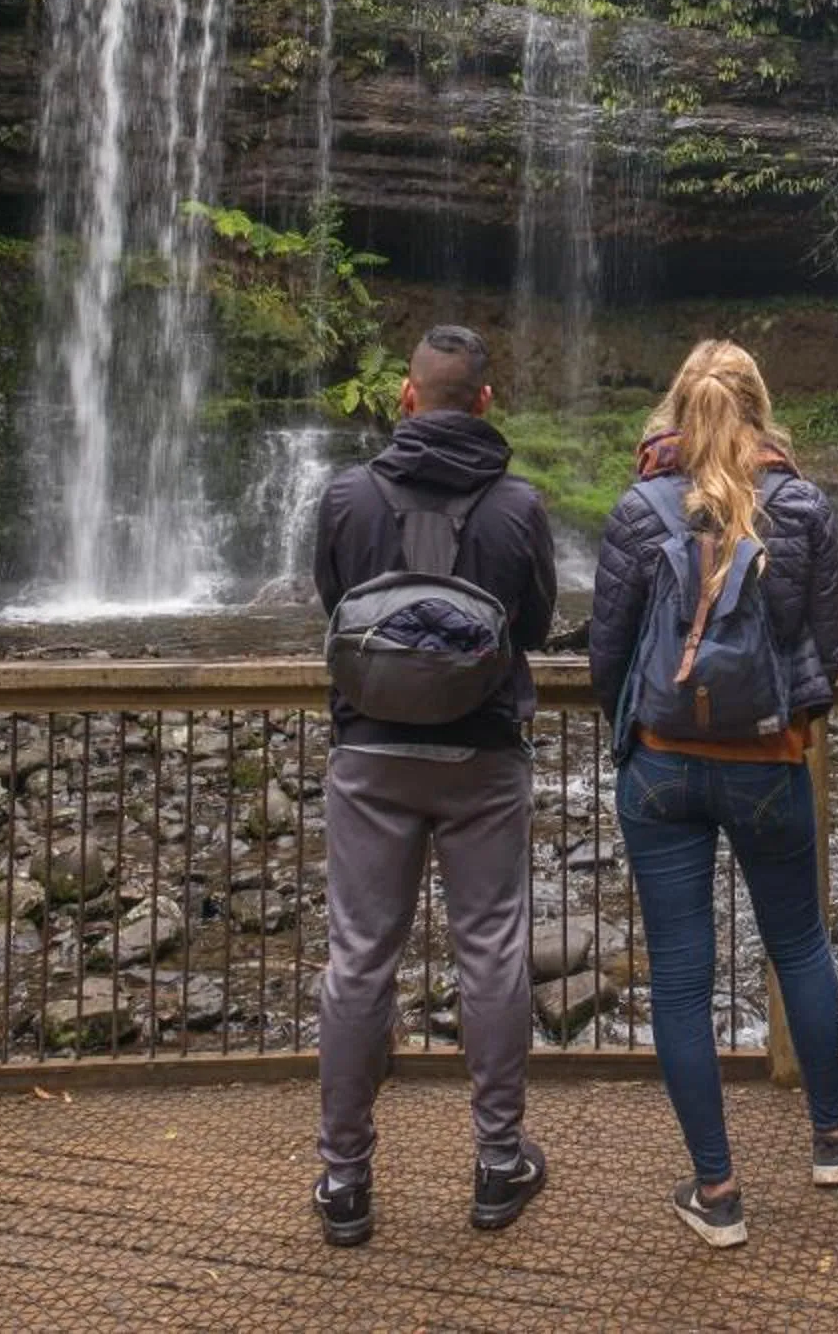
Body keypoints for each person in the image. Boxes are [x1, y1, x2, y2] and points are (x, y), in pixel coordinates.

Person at [589, 340, 838, 1249]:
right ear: (759, 406)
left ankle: (718, 1191)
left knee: (680, 976)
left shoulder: (638, 509)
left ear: (676, 409)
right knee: (800, 945)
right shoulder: (804, 506)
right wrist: (788, 724)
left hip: (661, 768)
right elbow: (828, 646)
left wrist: (645, 723)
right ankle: (829, 1140)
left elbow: (606, 651)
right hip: (768, 762)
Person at [308, 325, 559, 1247]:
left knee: (359, 957)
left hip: (370, 756)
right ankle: (498, 1163)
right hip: (484, 756)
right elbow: (531, 622)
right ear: (486, 402)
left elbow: (330, 607)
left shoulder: (346, 495)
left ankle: (344, 1179)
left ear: (406, 397)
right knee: (491, 949)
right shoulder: (517, 506)